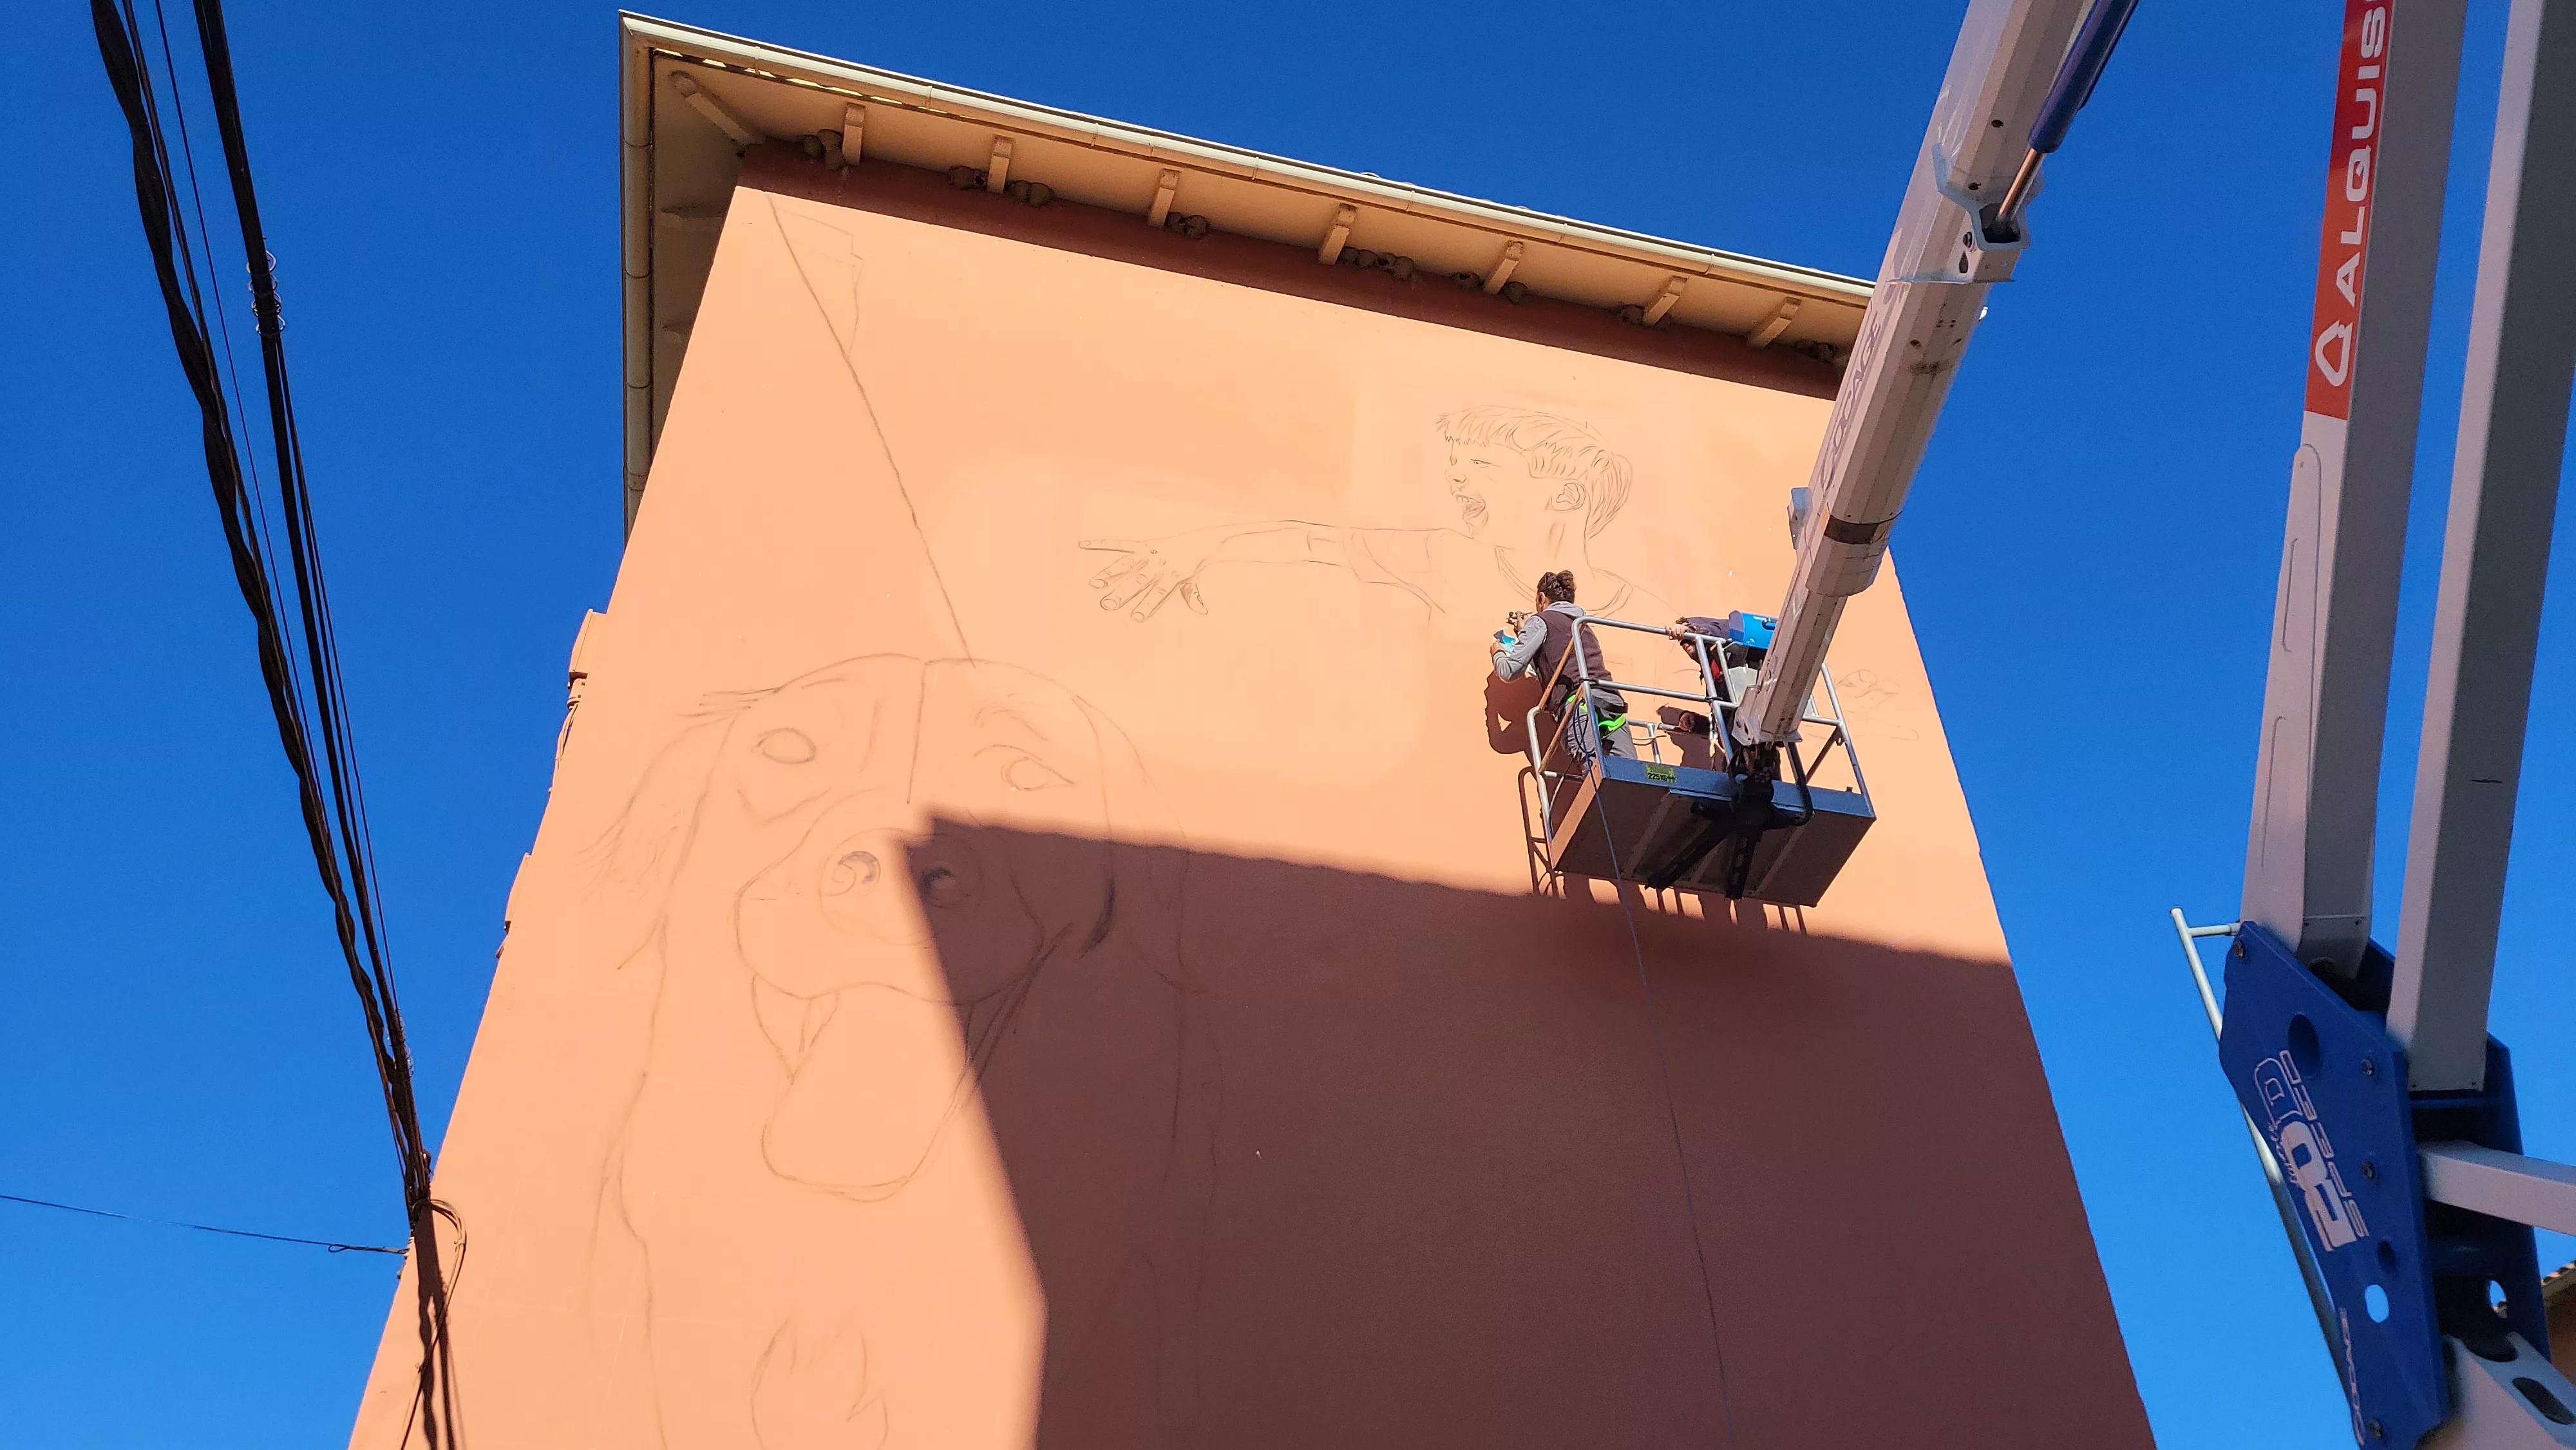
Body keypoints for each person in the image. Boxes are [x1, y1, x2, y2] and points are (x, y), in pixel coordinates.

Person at [1491, 570, 1635, 768]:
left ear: (1541, 597)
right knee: (1630, 777)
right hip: (1611, 703)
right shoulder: (1583, 624)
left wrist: (1497, 651)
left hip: (1577, 703)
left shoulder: (1541, 621)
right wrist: (1524, 632)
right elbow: (1556, 656)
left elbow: (1509, 670)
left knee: (1594, 779)